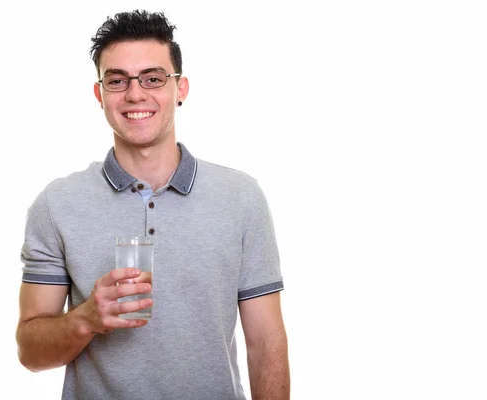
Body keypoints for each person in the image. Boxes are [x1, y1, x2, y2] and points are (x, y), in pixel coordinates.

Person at [16, 10, 289, 400]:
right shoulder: (56, 204)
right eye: (117, 81)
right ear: (100, 95)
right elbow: (30, 352)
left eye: (153, 78)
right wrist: (85, 320)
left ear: (181, 89)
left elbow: (266, 342)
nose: (135, 94)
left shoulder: (241, 198)